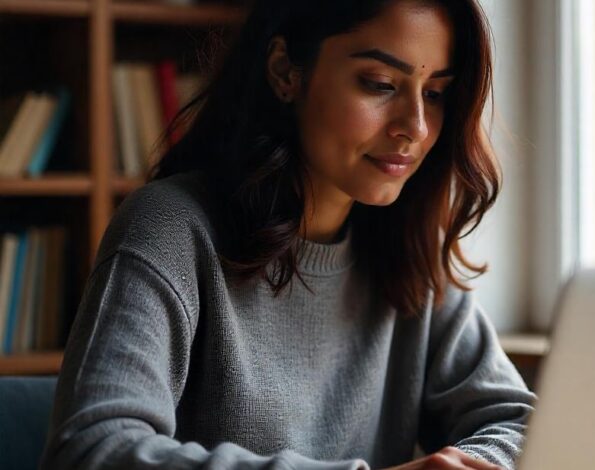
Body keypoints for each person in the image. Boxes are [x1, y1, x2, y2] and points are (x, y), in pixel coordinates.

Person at [40, 0, 536, 469]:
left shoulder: (407, 247)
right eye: (380, 83)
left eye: (436, 93)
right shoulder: (171, 227)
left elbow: (519, 423)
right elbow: (92, 450)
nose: (416, 127)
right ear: (285, 72)